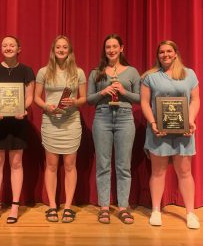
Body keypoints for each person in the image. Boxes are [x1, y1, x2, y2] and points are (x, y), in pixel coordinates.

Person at [140, 40, 200, 229]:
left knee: (185, 172)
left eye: (168, 51)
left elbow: (195, 100)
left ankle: (190, 213)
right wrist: (153, 123)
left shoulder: (189, 74)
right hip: (159, 132)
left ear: (176, 53)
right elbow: (144, 103)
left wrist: (190, 120)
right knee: (158, 172)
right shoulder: (150, 77)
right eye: (161, 52)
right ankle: (156, 210)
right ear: (157, 56)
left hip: (183, 131)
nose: (165, 55)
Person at [87, 34, 140, 224]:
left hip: (125, 118)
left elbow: (141, 99)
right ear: (105, 50)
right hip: (102, 116)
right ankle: (103, 207)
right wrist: (103, 92)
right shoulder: (96, 72)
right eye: (108, 47)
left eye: (115, 46)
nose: (111, 50)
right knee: (103, 164)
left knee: (123, 165)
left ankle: (123, 207)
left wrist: (123, 92)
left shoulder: (132, 72)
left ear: (121, 48)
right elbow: (88, 100)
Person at [34, 35, 86, 223]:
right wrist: (45, 106)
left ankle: (68, 206)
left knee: (70, 165)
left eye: (65, 47)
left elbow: (83, 99)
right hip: (50, 122)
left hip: (71, 122)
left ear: (69, 50)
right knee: (51, 165)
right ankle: (52, 205)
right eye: (58, 47)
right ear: (53, 50)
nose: (61, 50)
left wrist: (74, 101)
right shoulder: (43, 72)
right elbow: (37, 98)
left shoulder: (78, 72)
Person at [0, 36, 35, 224]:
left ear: (19, 48)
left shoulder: (27, 71)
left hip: (18, 123)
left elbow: (29, 96)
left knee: (16, 163)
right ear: (1, 48)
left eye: (12, 45)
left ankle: (14, 206)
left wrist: (23, 109)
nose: (8, 47)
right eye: (4, 45)